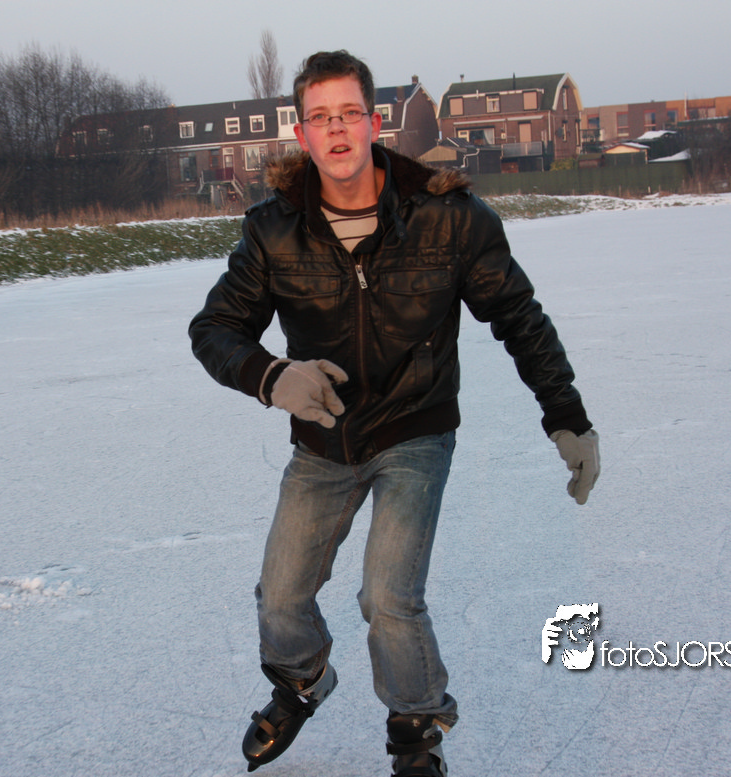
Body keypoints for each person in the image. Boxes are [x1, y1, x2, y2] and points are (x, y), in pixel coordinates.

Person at [188, 50, 600, 777]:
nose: (336, 129)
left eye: (349, 113)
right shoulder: (273, 230)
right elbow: (215, 328)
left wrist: (565, 414)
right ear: (302, 133)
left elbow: (518, 316)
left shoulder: (449, 219)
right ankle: (302, 681)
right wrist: (272, 375)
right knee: (280, 598)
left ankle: (416, 729)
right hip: (324, 437)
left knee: (388, 596)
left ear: (374, 123)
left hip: (416, 428)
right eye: (320, 117)